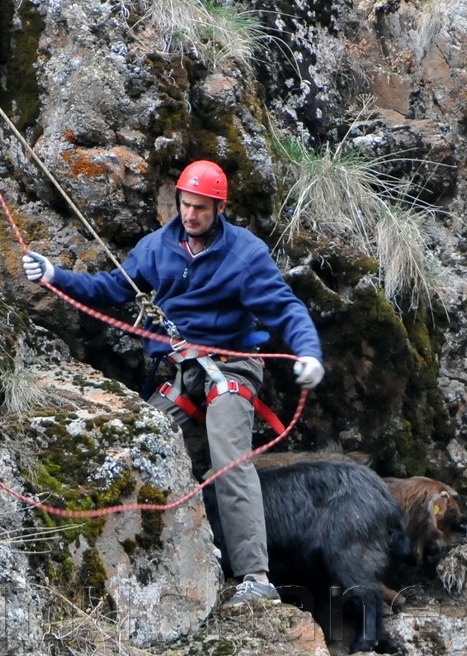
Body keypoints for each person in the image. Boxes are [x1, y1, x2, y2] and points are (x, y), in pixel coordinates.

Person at [22, 159, 325, 607]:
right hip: (183, 372)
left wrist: (309, 351)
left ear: (219, 207)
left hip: (232, 367)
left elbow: (286, 308)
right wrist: (54, 276)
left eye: (200, 208)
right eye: (185, 205)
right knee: (142, 441)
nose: (190, 215)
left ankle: (256, 577)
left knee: (228, 455)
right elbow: (110, 288)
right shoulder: (156, 247)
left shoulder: (245, 254)